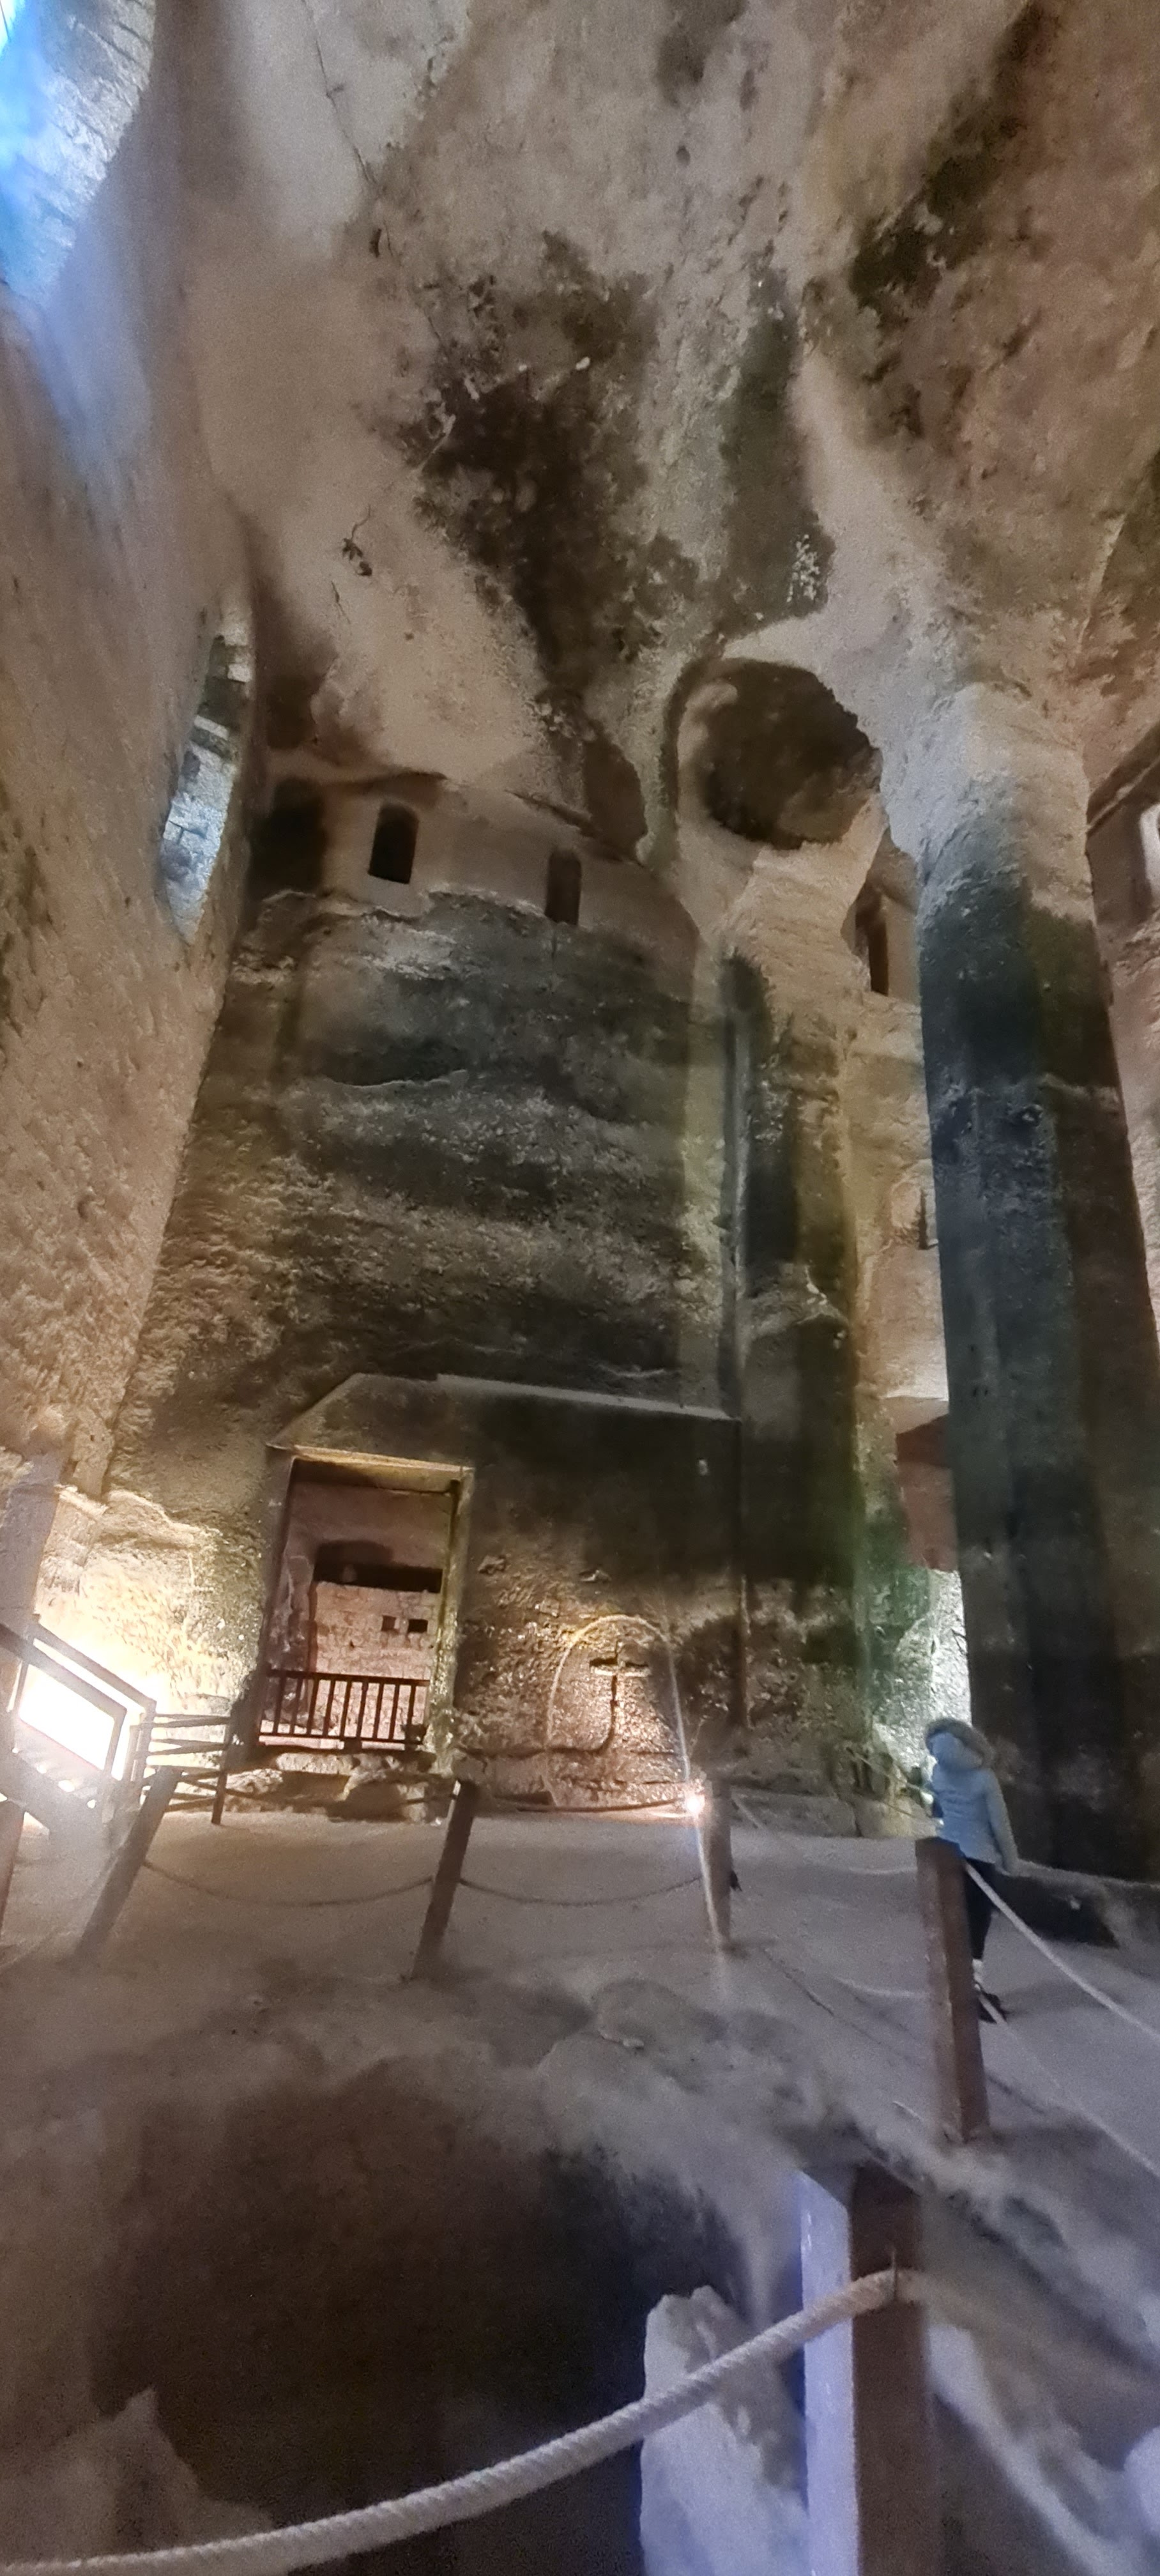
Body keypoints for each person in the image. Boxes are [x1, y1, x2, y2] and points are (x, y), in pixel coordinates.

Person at [925, 1717, 1018, 2017]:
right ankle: (973, 1992)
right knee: (976, 1928)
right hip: (979, 1857)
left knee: (952, 1925)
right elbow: (1000, 1826)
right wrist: (1011, 1861)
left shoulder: (938, 1773)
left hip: (947, 1853)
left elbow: (938, 1810)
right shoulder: (984, 1778)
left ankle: (953, 1987)